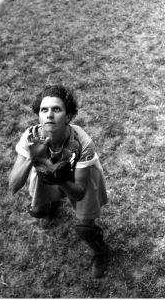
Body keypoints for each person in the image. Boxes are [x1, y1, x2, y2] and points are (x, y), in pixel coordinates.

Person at [9, 84, 109, 279]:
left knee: (84, 228)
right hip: (46, 171)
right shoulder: (30, 138)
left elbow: (79, 192)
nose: (49, 115)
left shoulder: (82, 141)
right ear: (38, 115)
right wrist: (33, 158)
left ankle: (101, 251)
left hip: (80, 177)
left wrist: (57, 175)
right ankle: (52, 202)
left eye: (56, 109)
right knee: (37, 210)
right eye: (44, 110)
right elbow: (13, 186)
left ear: (69, 116)